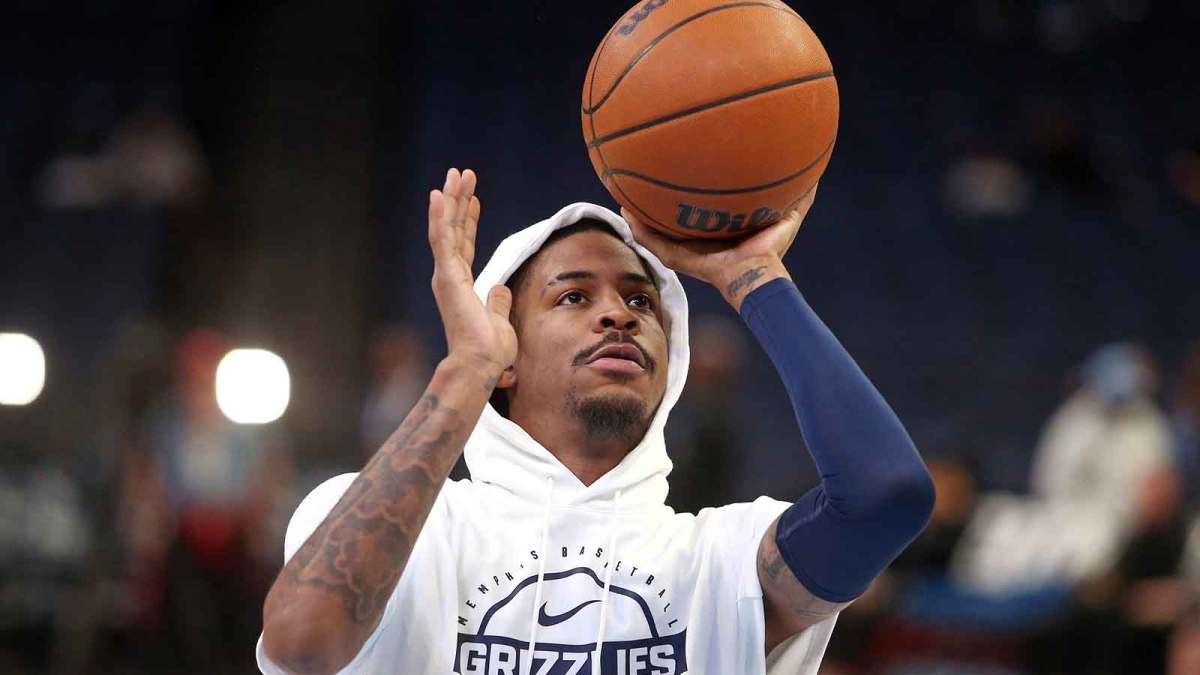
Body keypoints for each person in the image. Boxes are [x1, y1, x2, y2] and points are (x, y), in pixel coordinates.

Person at [258, 168, 935, 674]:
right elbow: (300, 640)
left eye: (641, 298)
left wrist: (753, 275)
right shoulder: (416, 531)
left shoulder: (720, 560)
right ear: (508, 354)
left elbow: (886, 495)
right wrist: (468, 369)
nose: (619, 313)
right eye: (574, 294)